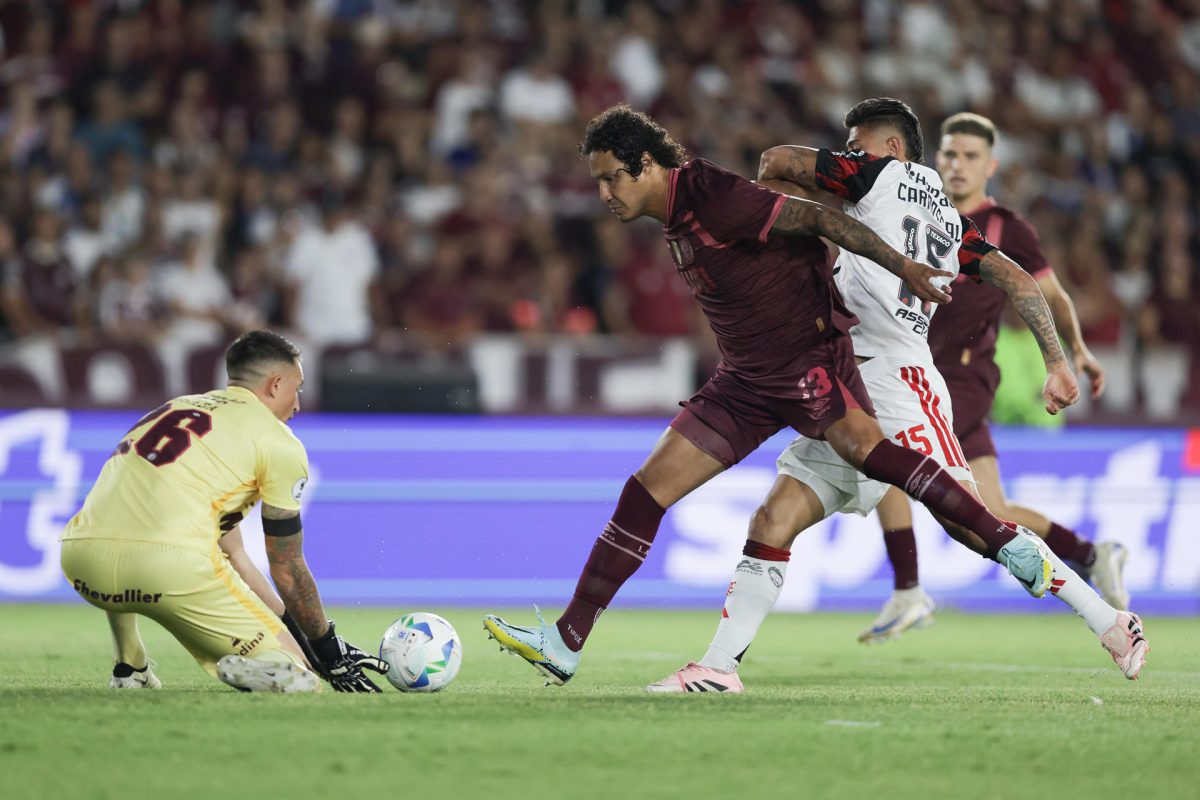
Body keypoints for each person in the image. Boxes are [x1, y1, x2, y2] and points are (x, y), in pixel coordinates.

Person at [483, 104, 1068, 686]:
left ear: (645, 164)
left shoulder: (711, 193)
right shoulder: (675, 214)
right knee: (644, 492)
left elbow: (818, 220)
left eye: (612, 176)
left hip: (804, 361)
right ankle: (566, 642)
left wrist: (902, 266)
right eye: (598, 181)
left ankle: (1002, 542)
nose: (605, 192)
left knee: (872, 454)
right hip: (743, 379)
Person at [647, 99, 1148, 694]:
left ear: (890, 149)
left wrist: (767, 228)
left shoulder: (876, 175)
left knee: (975, 525)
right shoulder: (949, 220)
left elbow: (776, 159)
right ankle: (719, 668)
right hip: (848, 389)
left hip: (900, 384)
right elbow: (1015, 278)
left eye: (859, 144)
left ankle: (1111, 621)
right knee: (774, 517)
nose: (851, 155)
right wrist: (1058, 362)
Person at [859, 112, 1125, 644]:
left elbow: (1049, 294)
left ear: (991, 166)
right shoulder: (910, 211)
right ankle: (1093, 553)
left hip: (960, 378)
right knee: (993, 510)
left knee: (878, 446)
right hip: (917, 368)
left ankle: (909, 590)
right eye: (950, 155)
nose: (958, 166)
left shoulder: (1006, 227)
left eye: (970, 157)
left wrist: (1076, 350)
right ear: (936, 160)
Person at [60, 329, 389, 692]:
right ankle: (258, 666)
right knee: (300, 678)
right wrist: (323, 648)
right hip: (168, 570)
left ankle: (130, 668)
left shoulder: (175, 408)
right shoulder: (279, 443)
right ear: (276, 384)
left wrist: (301, 638)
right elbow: (287, 569)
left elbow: (235, 556)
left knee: (125, 521)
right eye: (297, 388)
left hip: (81, 561)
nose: (298, 403)